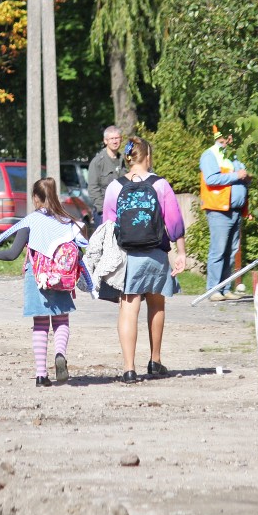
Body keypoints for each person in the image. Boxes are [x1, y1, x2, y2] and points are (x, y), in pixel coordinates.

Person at [0, 177, 88, 387]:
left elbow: (12, 254)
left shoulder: (30, 221)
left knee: (40, 325)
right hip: (60, 277)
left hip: (37, 277)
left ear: (35, 198)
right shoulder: (66, 221)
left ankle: (41, 375)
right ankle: (60, 354)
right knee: (61, 320)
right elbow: (79, 253)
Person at [103, 137, 186, 383]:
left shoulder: (114, 187)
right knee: (156, 304)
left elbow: (108, 226)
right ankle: (155, 360)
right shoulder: (160, 185)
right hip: (156, 254)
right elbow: (174, 222)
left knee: (129, 309)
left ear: (128, 159)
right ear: (148, 157)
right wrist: (181, 253)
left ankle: (129, 369)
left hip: (127, 256)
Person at [199, 125, 250, 301]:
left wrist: (246, 178)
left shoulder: (234, 156)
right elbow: (211, 179)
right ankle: (213, 289)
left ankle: (226, 288)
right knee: (218, 251)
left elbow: (242, 176)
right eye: (228, 135)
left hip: (235, 210)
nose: (231, 138)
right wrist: (237, 176)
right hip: (219, 209)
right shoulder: (210, 155)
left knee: (231, 251)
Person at [87, 125, 125, 226]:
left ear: (121, 139)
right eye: (111, 138)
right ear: (105, 141)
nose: (115, 141)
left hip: (123, 212)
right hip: (104, 214)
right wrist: (103, 209)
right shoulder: (97, 162)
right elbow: (93, 188)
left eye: (117, 138)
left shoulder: (124, 161)